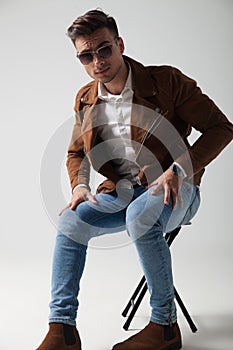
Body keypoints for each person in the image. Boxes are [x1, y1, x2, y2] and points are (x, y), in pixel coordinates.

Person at [36, 9, 233, 350]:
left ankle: (164, 327)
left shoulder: (167, 82)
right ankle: (62, 330)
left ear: (119, 44)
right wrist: (80, 185)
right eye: (86, 55)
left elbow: (221, 128)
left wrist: (180, 168)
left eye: (104, 49)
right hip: (122, 193)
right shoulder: (86, 98)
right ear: (80, 59)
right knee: (70, 220)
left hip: (176, 188)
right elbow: (75, 154)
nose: (97, 60)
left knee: (140, 215)